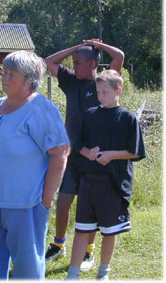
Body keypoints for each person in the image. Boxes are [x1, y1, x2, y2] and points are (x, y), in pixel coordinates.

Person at [0, 50, 70, 279]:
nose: (4, 78)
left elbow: (60, 152)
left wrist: (45, 201)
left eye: (12, 74)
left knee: (26, 268)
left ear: (29, 81)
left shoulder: (40, 109)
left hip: (24, 205)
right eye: (4, 72)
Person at [45, 39, 125, 271]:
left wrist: (96, 45)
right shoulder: (70, 82)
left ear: (92, 63)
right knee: (63, 203)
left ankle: (88, 252)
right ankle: (58, 244)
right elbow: (50, 61)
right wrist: (76, 48)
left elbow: (118, 56)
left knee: (89, 206)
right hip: (72, 155)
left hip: (95, 157)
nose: (74, 65)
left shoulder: (102, 84)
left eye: (78, 62)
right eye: (73, 62)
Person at [66, 69, 145, 280]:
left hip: (113, 184)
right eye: (98, 92)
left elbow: (135, 152)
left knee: (110, 231)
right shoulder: (90, 115)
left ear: (118, 90)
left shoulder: (128, 119)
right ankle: (73, 273)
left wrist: (111, 155)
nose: (100, 96)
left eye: (105, 92)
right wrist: (88, 153)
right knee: (82, 229)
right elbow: (78, 144)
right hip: (88, 182)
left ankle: (104, 272)